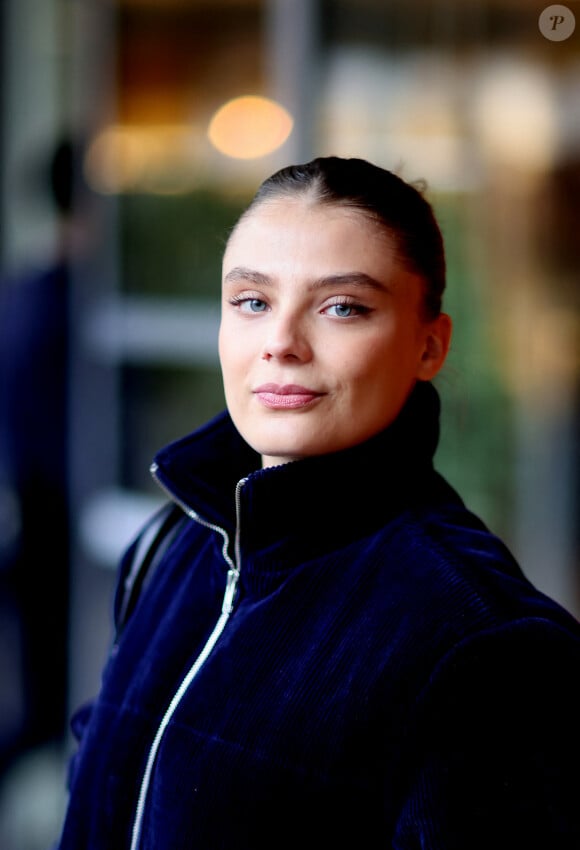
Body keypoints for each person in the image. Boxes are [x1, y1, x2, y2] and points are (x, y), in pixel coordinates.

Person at [55, 156, 580, 850]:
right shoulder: (173, 542)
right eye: (252, 302)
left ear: (431, 345)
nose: (281, 344)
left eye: (342, 307)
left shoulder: (482, 642)